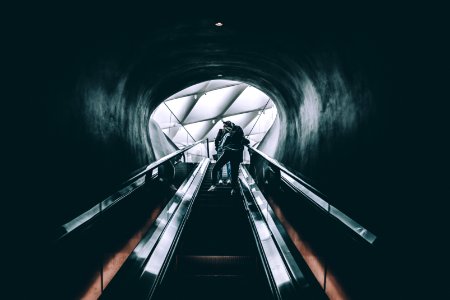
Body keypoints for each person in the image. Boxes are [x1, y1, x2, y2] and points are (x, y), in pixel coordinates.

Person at [208, 121, 250, 196]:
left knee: (215, 169)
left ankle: (213, 185)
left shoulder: (228, 135)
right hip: (236, 156)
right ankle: (233, 189)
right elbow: (247, 142)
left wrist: (222, 148)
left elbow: (223, 145)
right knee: (234, 174)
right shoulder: (241, 138)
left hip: (227, 154)